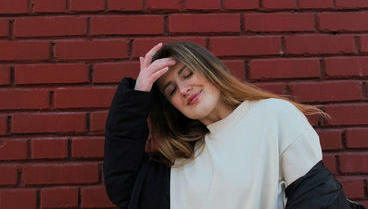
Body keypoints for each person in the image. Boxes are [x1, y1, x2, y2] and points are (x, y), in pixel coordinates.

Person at [103, 41, 365, 209]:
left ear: (209, 70)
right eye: (171, 90)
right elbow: (123, 187)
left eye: (187, 74)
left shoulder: (273, 116)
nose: (183, 89)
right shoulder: (179, 159)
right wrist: (138, 94)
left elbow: (316, 197)